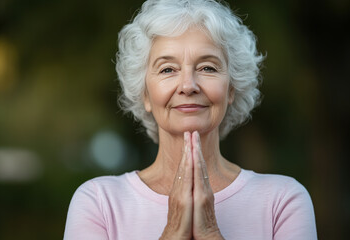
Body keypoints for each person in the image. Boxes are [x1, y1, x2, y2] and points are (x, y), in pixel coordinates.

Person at [63, 0, 317, 239]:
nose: (188, 85)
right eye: (167, 69)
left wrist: (209, 234)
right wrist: (173, 232)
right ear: (146, 95)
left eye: (207, 67)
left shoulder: (282, 200)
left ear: (230, 90)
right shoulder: (99, 202)